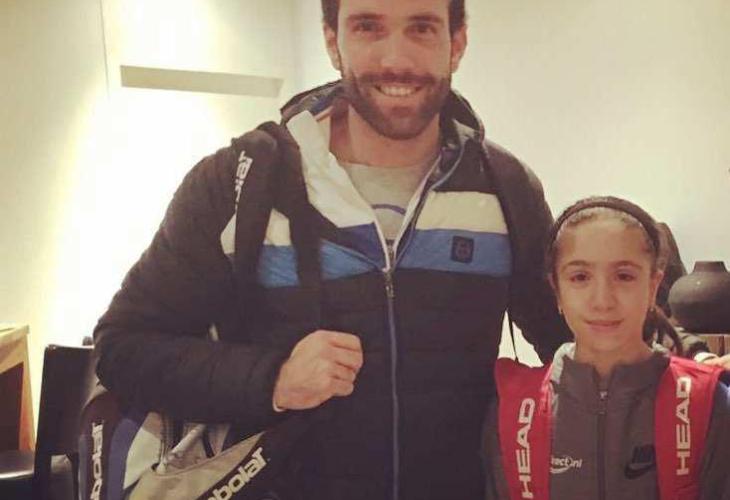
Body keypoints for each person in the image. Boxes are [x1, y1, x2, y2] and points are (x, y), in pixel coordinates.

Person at [93, 1, 572, 498]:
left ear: (457, 43)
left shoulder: (505, 189)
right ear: (332, 41)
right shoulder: (242, 184)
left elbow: (572, 351)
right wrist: (273, 381)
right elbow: (123, 348)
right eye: (368, 27)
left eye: (422, 28)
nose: (396, 58)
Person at [483, 196, 730, 500]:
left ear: (653, 287)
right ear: (556, 290)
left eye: (624, 276)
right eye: (580, 277)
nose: (603, 300)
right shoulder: (512, 411)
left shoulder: (707, 405)